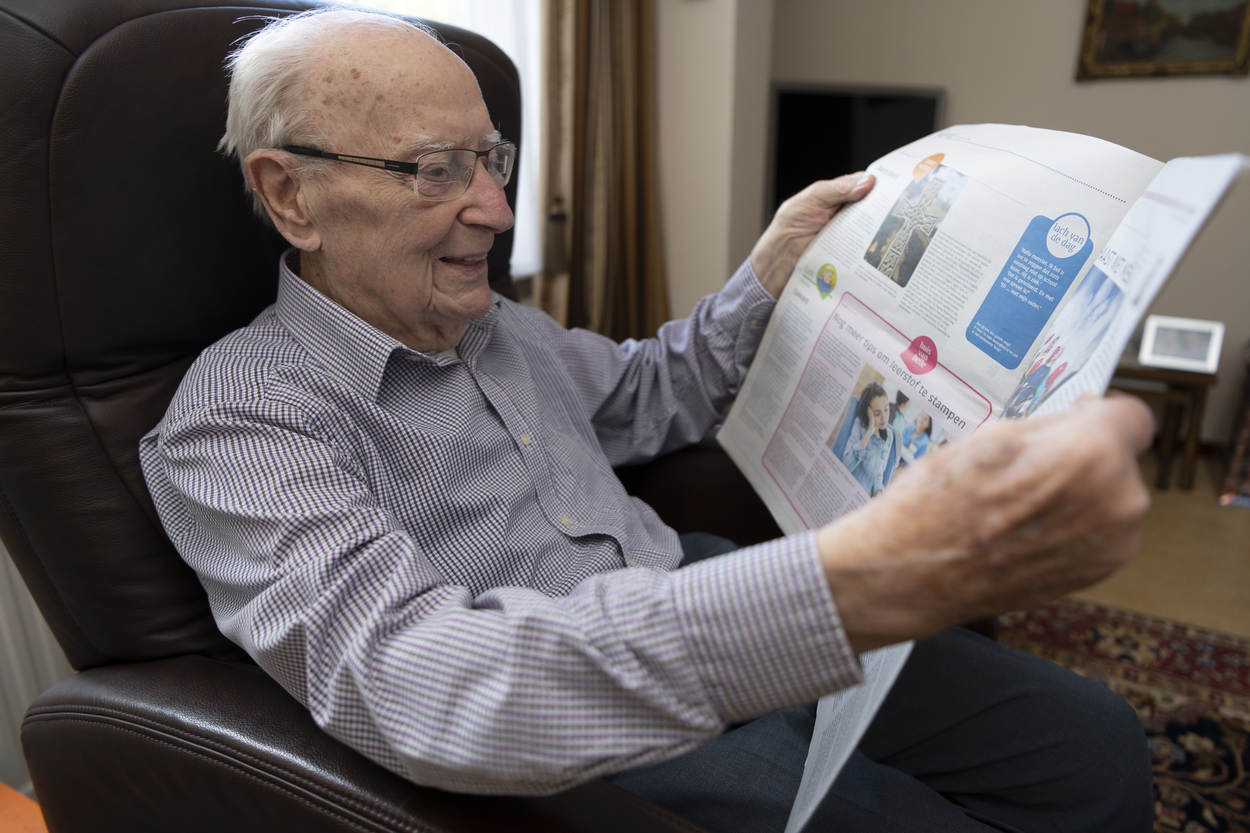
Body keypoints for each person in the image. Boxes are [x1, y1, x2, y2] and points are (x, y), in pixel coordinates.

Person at [139, 9, 1156, 832]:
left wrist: (770, 267)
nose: (495, 210)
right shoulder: (239, 423)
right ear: (292, 196)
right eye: (435, 169)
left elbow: (647, 390)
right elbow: (419, 683)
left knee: (1095, 740)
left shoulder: (495, 325)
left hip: (702, 584)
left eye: (490, 160)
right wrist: (864, 575)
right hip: (600, 730)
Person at [841, 381, 900, 495]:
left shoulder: (888, 436)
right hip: (847, 489)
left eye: (886, 410)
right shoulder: (859, 426)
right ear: (868, 413)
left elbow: (878, 474)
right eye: (877, 413)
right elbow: (845, 466)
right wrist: (868, 434)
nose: (884, 418)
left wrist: (879, 492)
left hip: (865, 495)